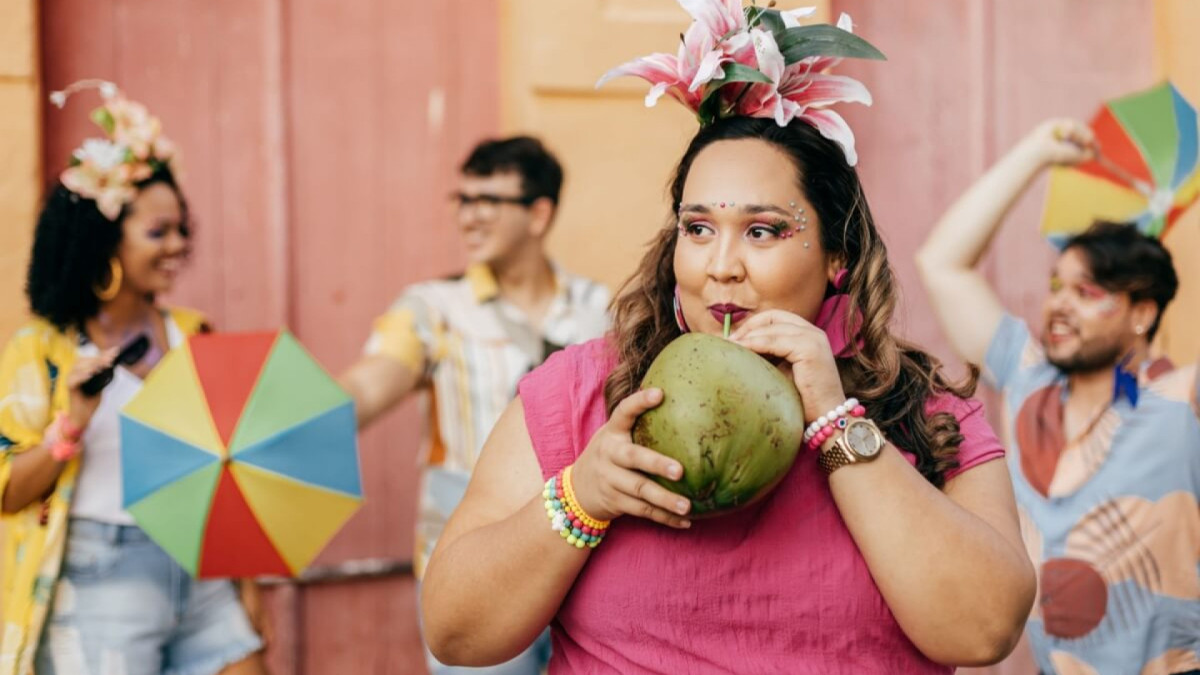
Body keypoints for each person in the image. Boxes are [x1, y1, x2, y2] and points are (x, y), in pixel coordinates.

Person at [419, 5, 1035, 673]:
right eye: (699, 228)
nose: (721, 265)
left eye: (763, 231)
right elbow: (455, 632)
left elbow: (982, 630)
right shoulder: (584, 392)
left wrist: (838, 422)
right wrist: (581, 495)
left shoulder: (925, 411)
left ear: (838, 257)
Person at [0, 81, 266, 675]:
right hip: (101, 576)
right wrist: (70, 423)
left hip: (199, 571)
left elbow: (226, 470)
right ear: (105, 241)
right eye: (157, 232)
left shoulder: (194, 333)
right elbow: (9, 491)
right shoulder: (42, 350)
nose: (177, 246)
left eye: (181, 230)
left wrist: (245, 584)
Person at [917, 118, 1200, 675]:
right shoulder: (1029, 378)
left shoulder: (1181, 399)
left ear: (1142, 312)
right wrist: (1034, 153)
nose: (1058, 306)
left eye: (1087, 292)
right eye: (1055, 288)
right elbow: (942, 264)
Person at [338, 135, 610, 674]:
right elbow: (373, 383)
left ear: (538, 214)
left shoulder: (597, 307)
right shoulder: (433, 307)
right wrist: (298, 420)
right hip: (475, 567)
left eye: (489, 201)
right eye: (463, 200)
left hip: (582, 553)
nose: (469, 217)